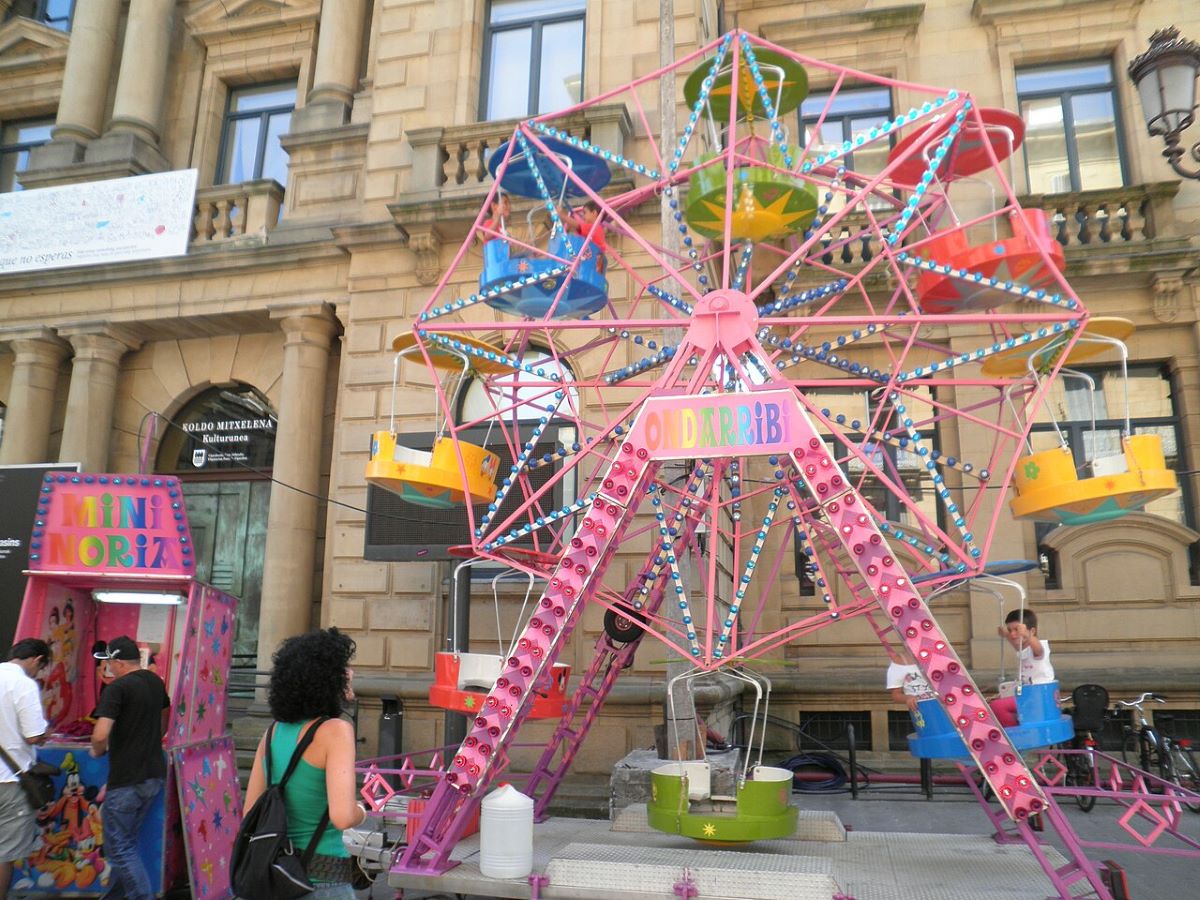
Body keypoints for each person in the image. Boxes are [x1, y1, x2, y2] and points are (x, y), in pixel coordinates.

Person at [242, 629, 366, 899]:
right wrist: (363, 810)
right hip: (323, 882)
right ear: (327, 677)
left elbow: (250, 812)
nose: (350, 672)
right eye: (343, 667)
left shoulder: (272, 732)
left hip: (276, 878)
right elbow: (343, 816)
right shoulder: (336, 731)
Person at [90, 636, 170, 900]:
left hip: (126, 779)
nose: (108, 667)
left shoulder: (118, 688)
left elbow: (101, 734)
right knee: (125, 844)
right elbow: (164, 721)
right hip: (153, 775)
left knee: (119, 848)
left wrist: (97, 749)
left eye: (109, 662)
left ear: (118, 661)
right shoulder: (155, 683)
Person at [0, 639, 50, 900]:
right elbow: (33, 735)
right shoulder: (23, 684)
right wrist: (45, 732)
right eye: (41, 668)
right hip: (8, 782)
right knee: (4, 853)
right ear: (37, 660)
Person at [989, 608, 1054, 727]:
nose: (1013, 634)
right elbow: (1015, 642)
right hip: (1027, 692)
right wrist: (1006, 635)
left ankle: (1014, 734)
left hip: (1039, 694)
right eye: (1010, 630)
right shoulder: (1023, 649)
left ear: (1032, 631)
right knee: (995, 702)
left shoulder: (1038, 647)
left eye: (1017, 630)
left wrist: (1025, 634)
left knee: (997, 706)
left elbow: (1038, 649)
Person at [885, 645, 934, 715]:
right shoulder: (898, 662)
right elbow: (895, 695)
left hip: (946, 706)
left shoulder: (938, 658)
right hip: (920, 709)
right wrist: (908, 698)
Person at [561, 200, 608, 273]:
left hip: (592, 261)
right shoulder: (599, 229)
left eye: (585, 213)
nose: (583, 215)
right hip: (596, 261)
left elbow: (578, 226)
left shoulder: (593, 227)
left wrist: (561, 215)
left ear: (594, 213)